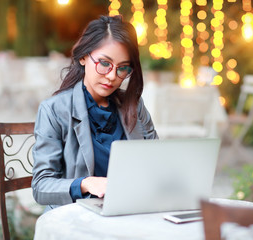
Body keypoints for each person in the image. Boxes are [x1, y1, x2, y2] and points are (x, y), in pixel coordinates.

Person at [31, 15, 158, 211]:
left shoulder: (134, 106)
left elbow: (157, 163)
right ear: (83, 57)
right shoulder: (54, 110)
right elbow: (41, 186)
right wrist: (85, 183)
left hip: (130, 210)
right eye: (105, 63)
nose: (112, 76)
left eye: (122, 68)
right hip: (75, 216)